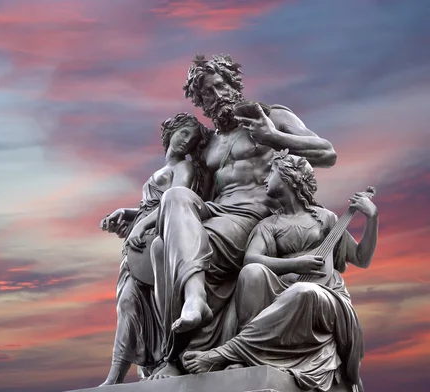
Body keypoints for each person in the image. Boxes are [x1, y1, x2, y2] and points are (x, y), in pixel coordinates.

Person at [142, 54, 338, 379]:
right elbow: (187, 188)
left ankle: (189, 329)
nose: (217, 95)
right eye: (207, 92)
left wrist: (274, 137)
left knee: (168, 250)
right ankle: (186, 320)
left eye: (221, 85)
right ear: (201, 102)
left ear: (235, 84)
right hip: (217, 213)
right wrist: (139, 214)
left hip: (253, 216)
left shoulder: (272, 116)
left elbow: (327, 153)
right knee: (163, 236)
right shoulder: (208, 146)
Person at [182, 150, 378, 392]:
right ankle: (247, 357)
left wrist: (372, 218)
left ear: (289, 177)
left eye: (271, 171)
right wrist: (295, 264)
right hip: (284, 290)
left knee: (305, 292)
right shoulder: (269, 225)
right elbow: (251, 259)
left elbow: (361, 257)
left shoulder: (325, 219)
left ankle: (226, 352)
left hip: (324, 297)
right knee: (252, 272)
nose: (265, 178)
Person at [98, 113, 212, 385]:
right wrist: (126, 213)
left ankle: (153, 362)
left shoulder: (184, 169)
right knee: (126, 303)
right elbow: (150, 205)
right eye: (184, 133)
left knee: (143, 304)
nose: (187, 141)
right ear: (170, 131)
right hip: (138, 244)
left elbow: (171, 203)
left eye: (193, 139)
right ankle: (114, 376)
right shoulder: (160, 171)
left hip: (157, 239)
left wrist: (139, 226)